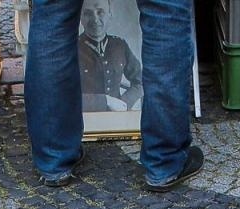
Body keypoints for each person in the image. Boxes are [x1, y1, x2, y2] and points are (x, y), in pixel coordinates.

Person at [25, 0, 204, 192]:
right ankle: (164, 161)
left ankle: (54, 158)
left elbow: (135, 80)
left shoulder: (118, 45)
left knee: (54, 12)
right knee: (165, 12)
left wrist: (124, 101)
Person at [80, 0, 142, 112]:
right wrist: (105, 101)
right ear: (80, 18)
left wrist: (124, 102)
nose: (95, 20)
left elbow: (141, 81)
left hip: (117, 118)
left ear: (110, 15)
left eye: (100, 12)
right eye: (88, 13)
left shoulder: (120, 46)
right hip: (83, 119)